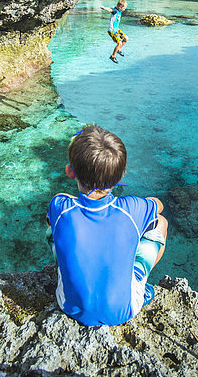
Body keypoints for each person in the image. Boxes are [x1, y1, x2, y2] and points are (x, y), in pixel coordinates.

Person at [47, 124, 168, 327]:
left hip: (69, 306)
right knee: (161, 223)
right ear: (120, 178)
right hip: (123, 311)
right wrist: (148, 202)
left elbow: (59, 212)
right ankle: (139, 284)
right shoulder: (132, 208)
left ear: (70, 172)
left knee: (53, 227)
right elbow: (159, 206)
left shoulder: (59, 205)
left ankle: (65, 269)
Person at [100, 0, 128, 64]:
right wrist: (104, 8)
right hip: (112, 31)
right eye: (124, 8)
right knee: (119, 43)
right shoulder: (115, 11)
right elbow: (110, 9)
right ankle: (113, 56)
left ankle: (118, 50)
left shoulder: (119, 11)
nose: (124, 10)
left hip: (117, 29)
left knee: (126, 38)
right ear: (120, 7)